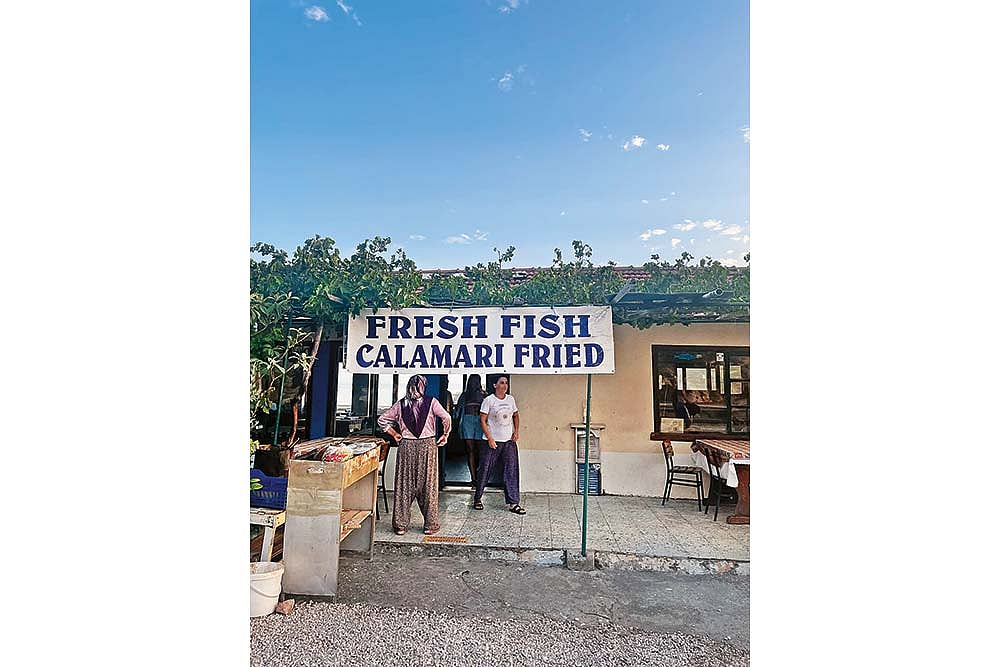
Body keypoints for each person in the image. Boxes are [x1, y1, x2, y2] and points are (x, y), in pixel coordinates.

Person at [377, 375, 451, 535]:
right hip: (427, 446)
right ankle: (430, 525)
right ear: (422, 386)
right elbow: (447, 417)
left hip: (407, 446)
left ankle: (400, 526)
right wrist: (445, 434)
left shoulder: (401, 404)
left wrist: (394, 433)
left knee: (404, 485)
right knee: (428, 485)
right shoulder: (432, 402)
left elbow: (382, 420)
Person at [473, 375, 525, 515]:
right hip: (492, 442)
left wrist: (516, 432)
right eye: (501, 383)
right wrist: (490, 438)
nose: (504, 385)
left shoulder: (510, 399)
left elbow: (516, 415)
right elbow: (482, 420)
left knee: (511, 471)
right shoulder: (489, 400)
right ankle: (477, 498)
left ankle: (513, 503)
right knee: (485, 470)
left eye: (506, 383)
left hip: (508, 441)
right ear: (495, 385)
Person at [454, 374, 487, 486]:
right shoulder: (464, 395)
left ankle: (479, 476)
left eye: (476, 381)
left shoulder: (483, 394)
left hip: (479, 421)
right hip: (467, 421)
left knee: (480, 450)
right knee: (470, 450)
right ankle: (473, 478)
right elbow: (457, 411)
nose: (474, 383)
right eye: (472, 381)